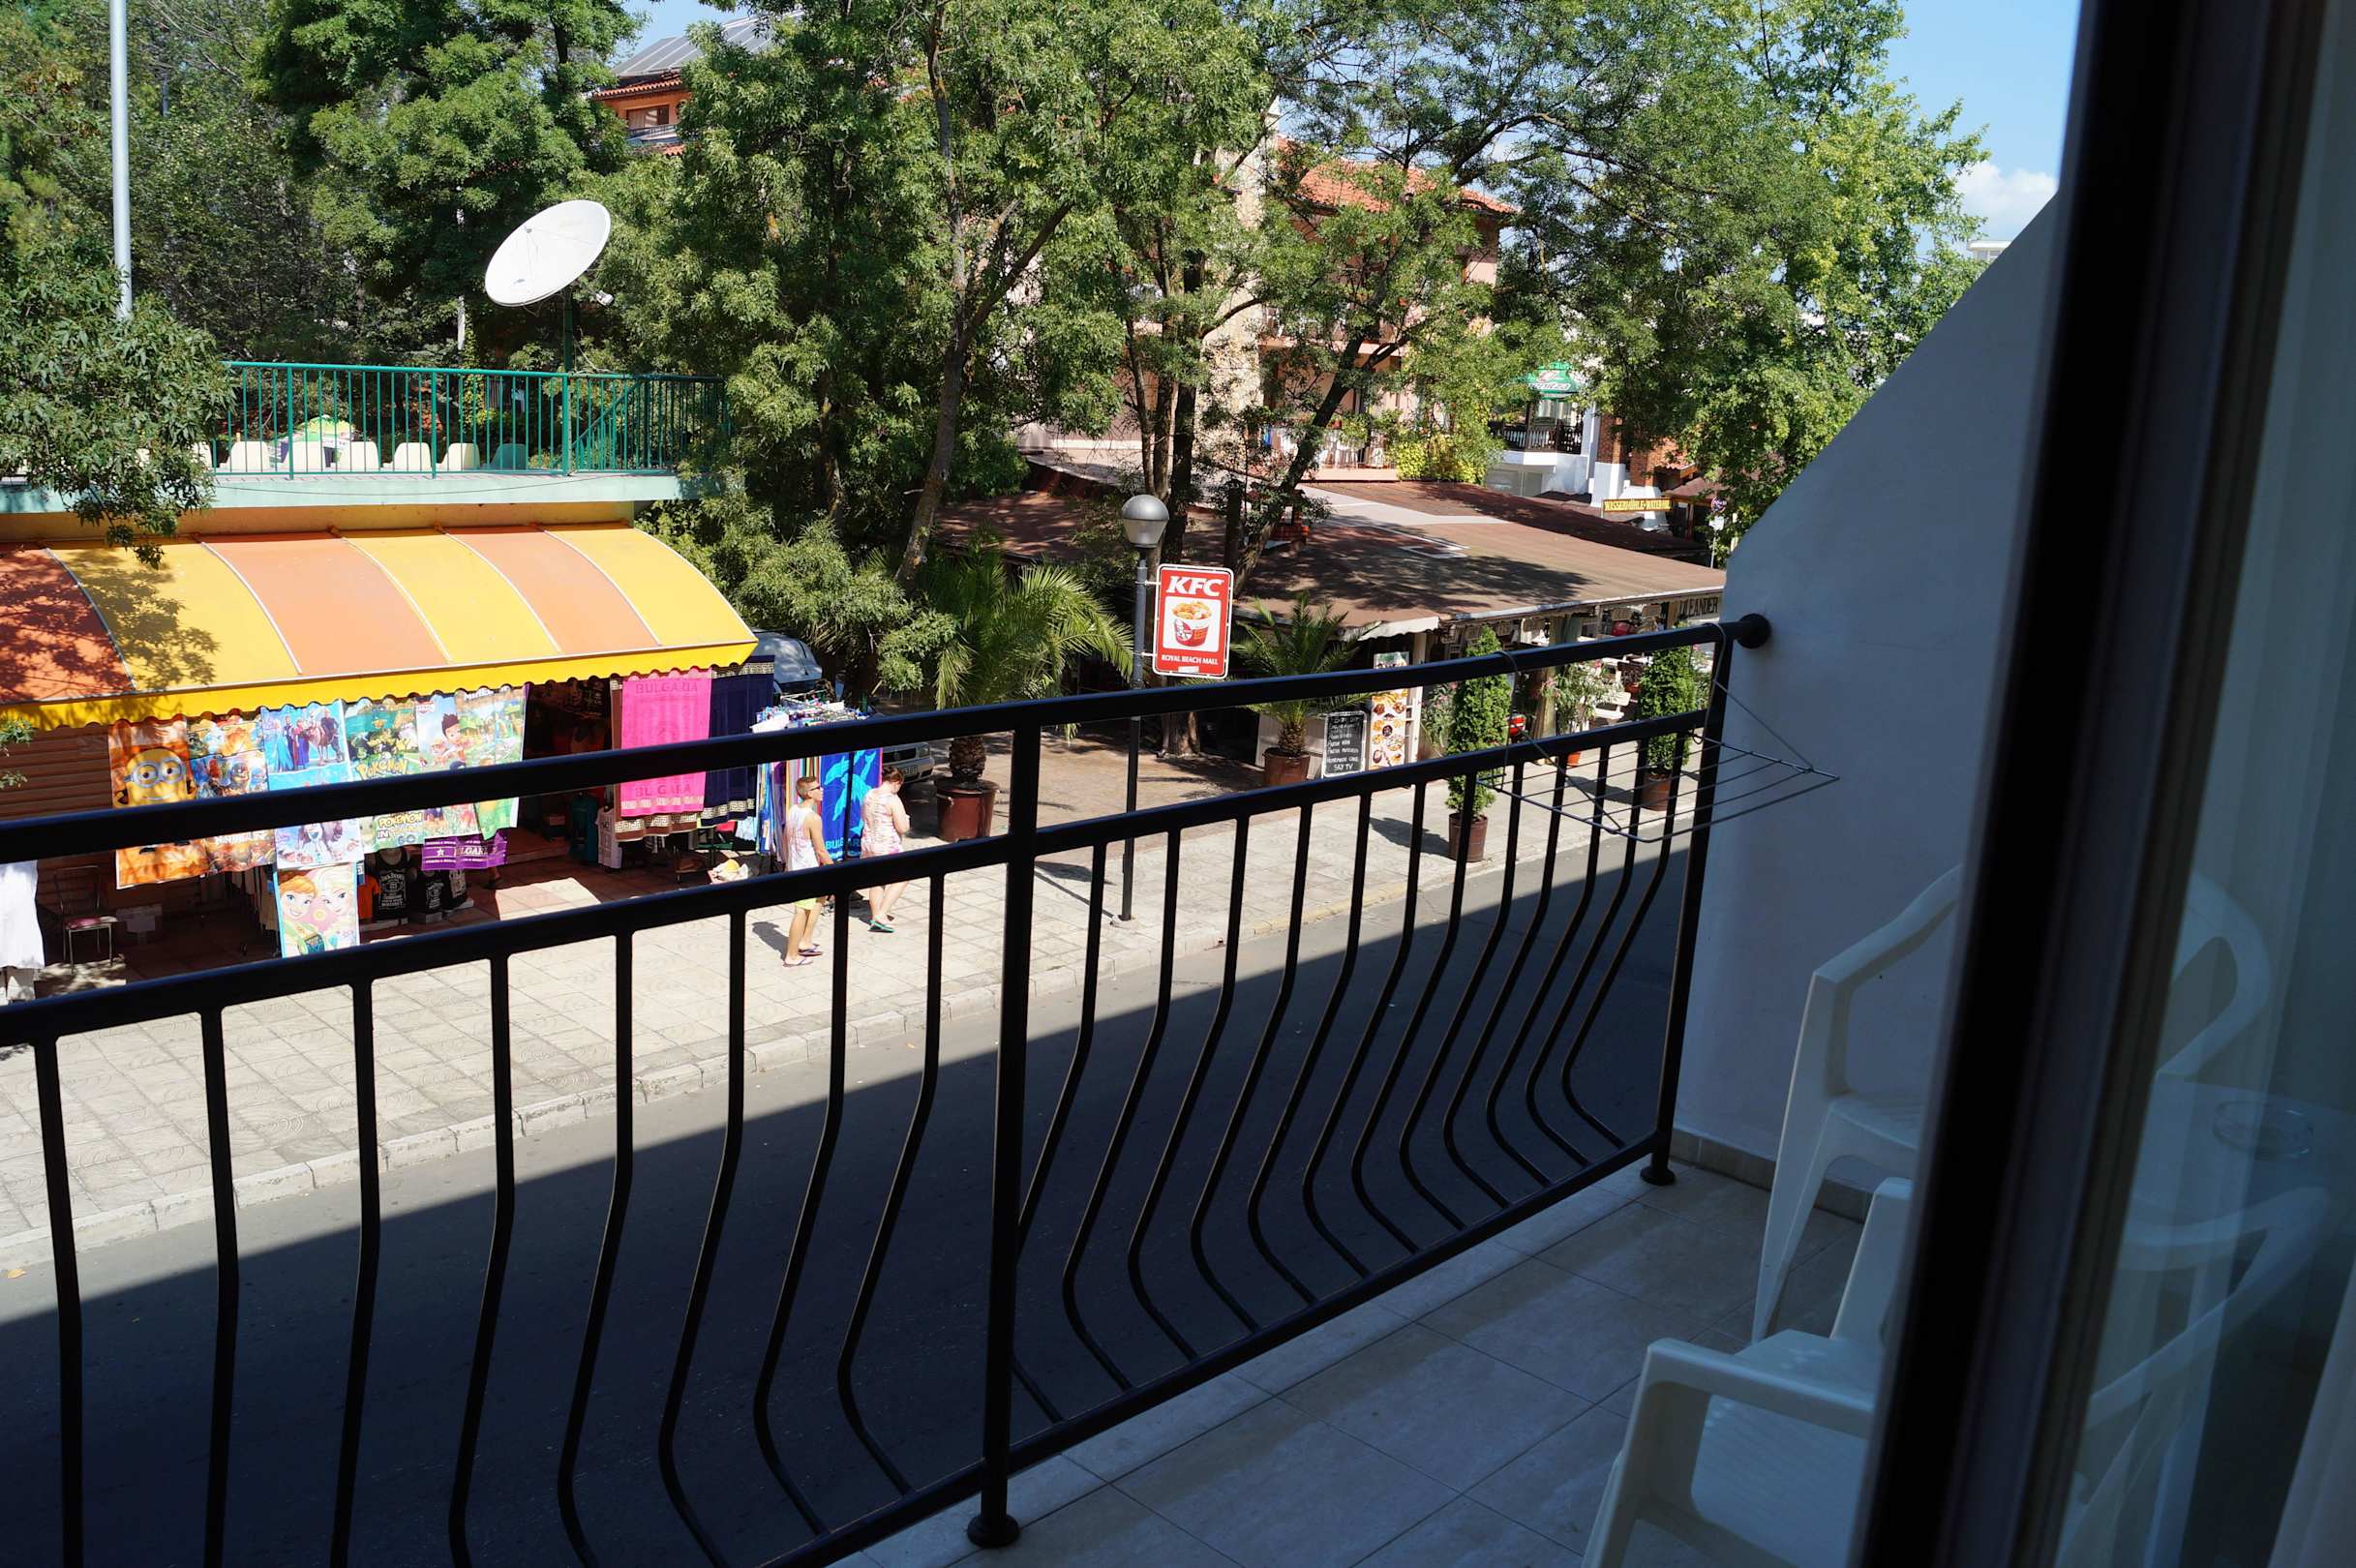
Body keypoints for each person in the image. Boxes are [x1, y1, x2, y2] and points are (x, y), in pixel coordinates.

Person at [783, 774, 832, 967]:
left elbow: (786, 839)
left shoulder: (793, 810)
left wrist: (787, 863)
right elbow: (821, 850)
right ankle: (791, 955)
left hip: (795, 865)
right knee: (801, 911)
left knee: (820, 898)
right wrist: (835, 869)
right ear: (810, 793)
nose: (822, 790)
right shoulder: (813, 818)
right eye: (818, 787)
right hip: (806, 868)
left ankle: (805, 940)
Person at [859, 765, 911, 932]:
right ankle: (881, 914)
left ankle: (875, 917)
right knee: (902, 878)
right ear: (896, 782)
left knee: (877, 880)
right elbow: (902, 827)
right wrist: (907, 819)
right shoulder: (892, 800)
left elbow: (863, 816)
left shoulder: (869, 794)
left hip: (869, 842)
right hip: (887, 845)